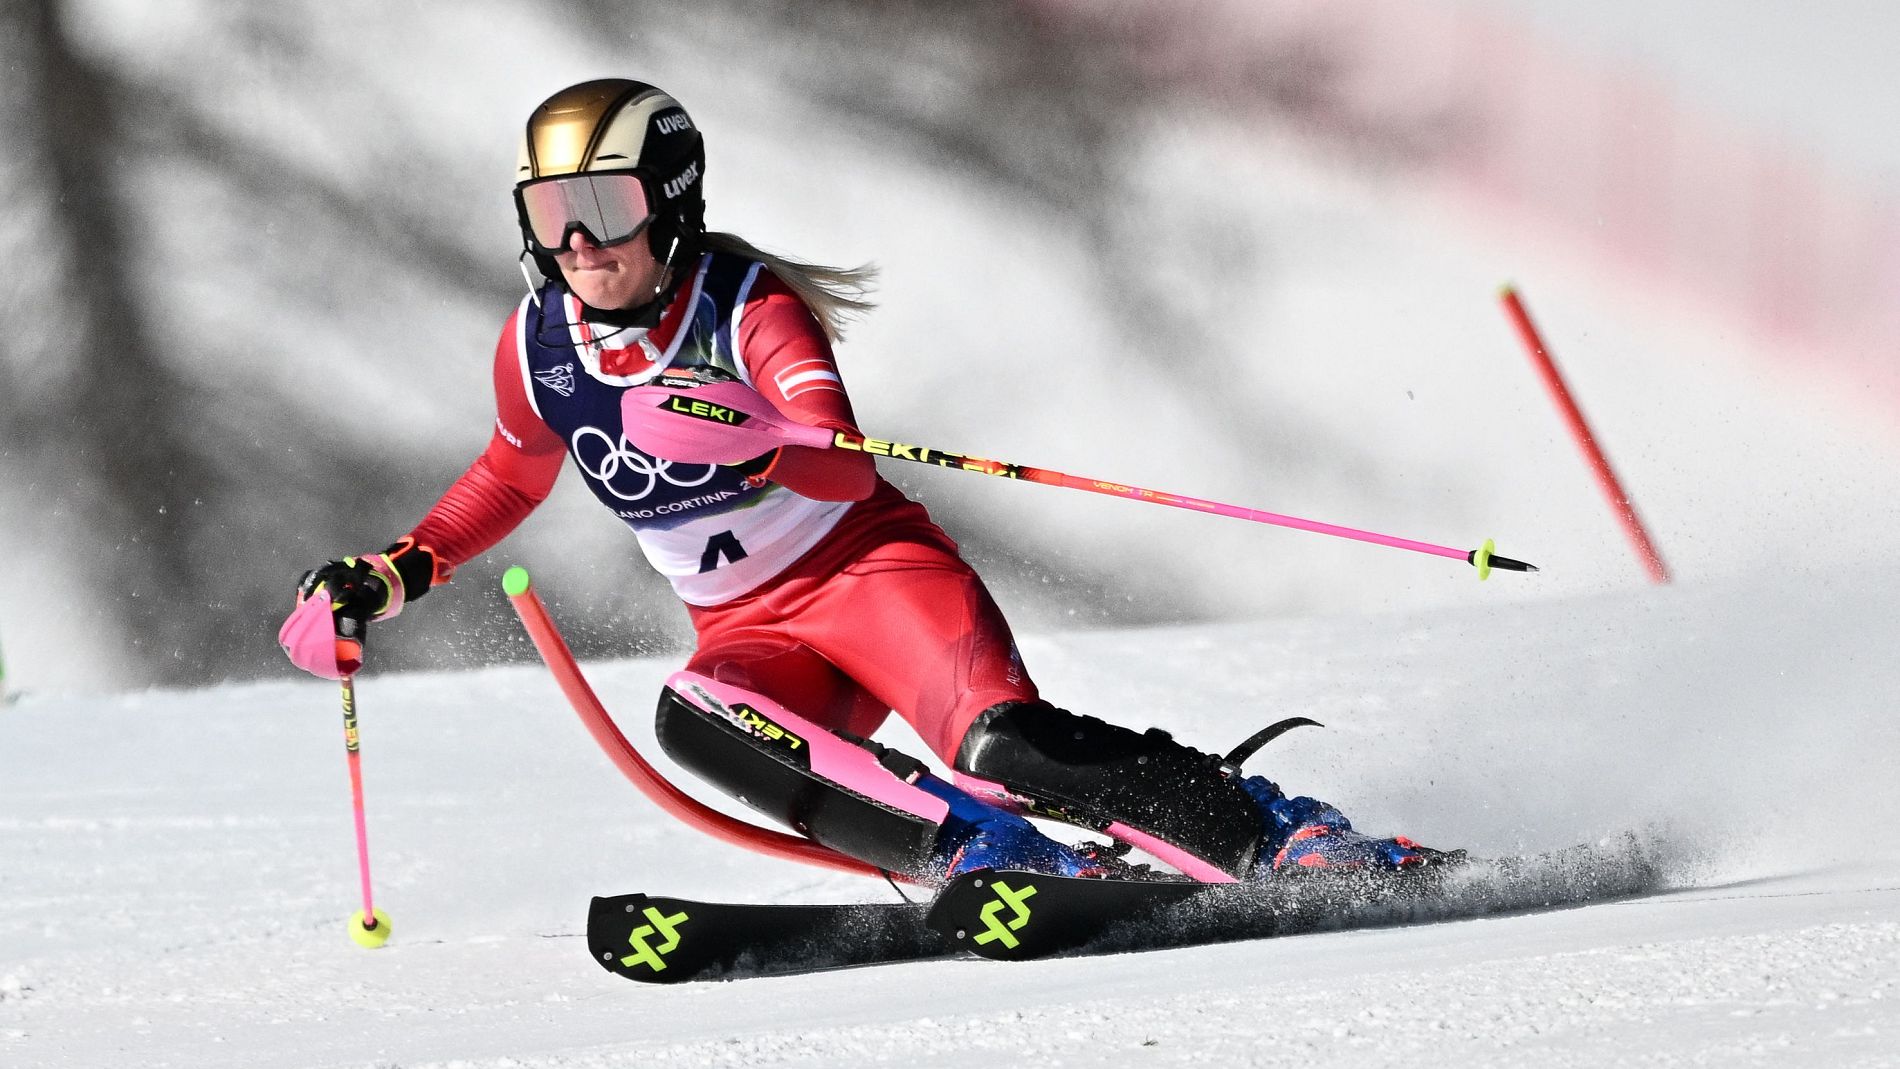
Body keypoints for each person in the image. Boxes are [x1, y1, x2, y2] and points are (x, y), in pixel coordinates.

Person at [280, 78, 1444, 884]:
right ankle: (982, 856)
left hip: (873, 577)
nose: (578, 243)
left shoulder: (749, 309)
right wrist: (393, 572)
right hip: (751, 629)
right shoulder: (539, 342)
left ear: (670, 202)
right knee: (695, 715)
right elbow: (511, 469)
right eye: (551, 214)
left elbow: (837, 467)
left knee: (1000, 748)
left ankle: (1277, 833)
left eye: (604, 207)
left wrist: (742, 434)